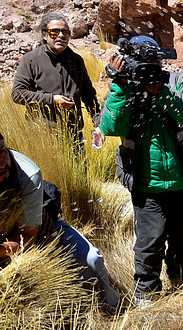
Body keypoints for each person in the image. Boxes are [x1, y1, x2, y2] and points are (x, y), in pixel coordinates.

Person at [98, 36, 183, 306]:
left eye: (154, 60)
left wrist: (162, 94)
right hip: (147, 187)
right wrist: (121, 86)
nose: (150, 67)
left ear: (161, 59)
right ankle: (146, 299)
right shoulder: (123, 86)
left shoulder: (177, 82)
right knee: (149, 246)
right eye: (143, 62)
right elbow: (111, 127)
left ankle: (182, 290)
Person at [0, 133, 119, 312]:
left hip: (40, 233)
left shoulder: (27, 174)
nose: (2, 164)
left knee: (90, 260)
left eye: (2, 152)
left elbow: (28, 236)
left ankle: (111, 310)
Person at [12, 13, 99, 148]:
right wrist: (52, 99)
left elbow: (89, 95)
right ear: (44, 35)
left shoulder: (76, 61)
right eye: (54, 32)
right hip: (41, 135)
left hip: (73, 135)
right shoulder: (31, 60)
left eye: (65, 32)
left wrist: (98, 123)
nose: (61, 36)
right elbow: (18, 94)